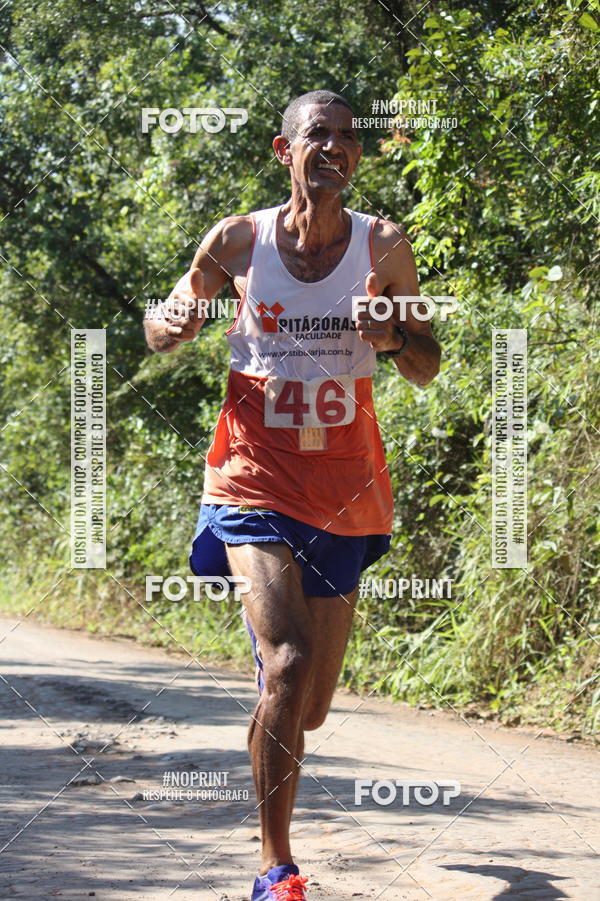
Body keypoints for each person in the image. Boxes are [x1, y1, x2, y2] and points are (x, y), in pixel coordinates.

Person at [144, 89, 440, 901]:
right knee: (288, 659)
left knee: (307, 708)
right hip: (252, 477)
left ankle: (275, 706)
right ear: (286, 150)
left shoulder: (384, 247)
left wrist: (395, 335)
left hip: (345, 489)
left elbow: (427, 361)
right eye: (320, 135)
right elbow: (168, 316)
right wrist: (173, 325)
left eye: (349, 138)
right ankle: (276, 867)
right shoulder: (240, 239)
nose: (336, 148)